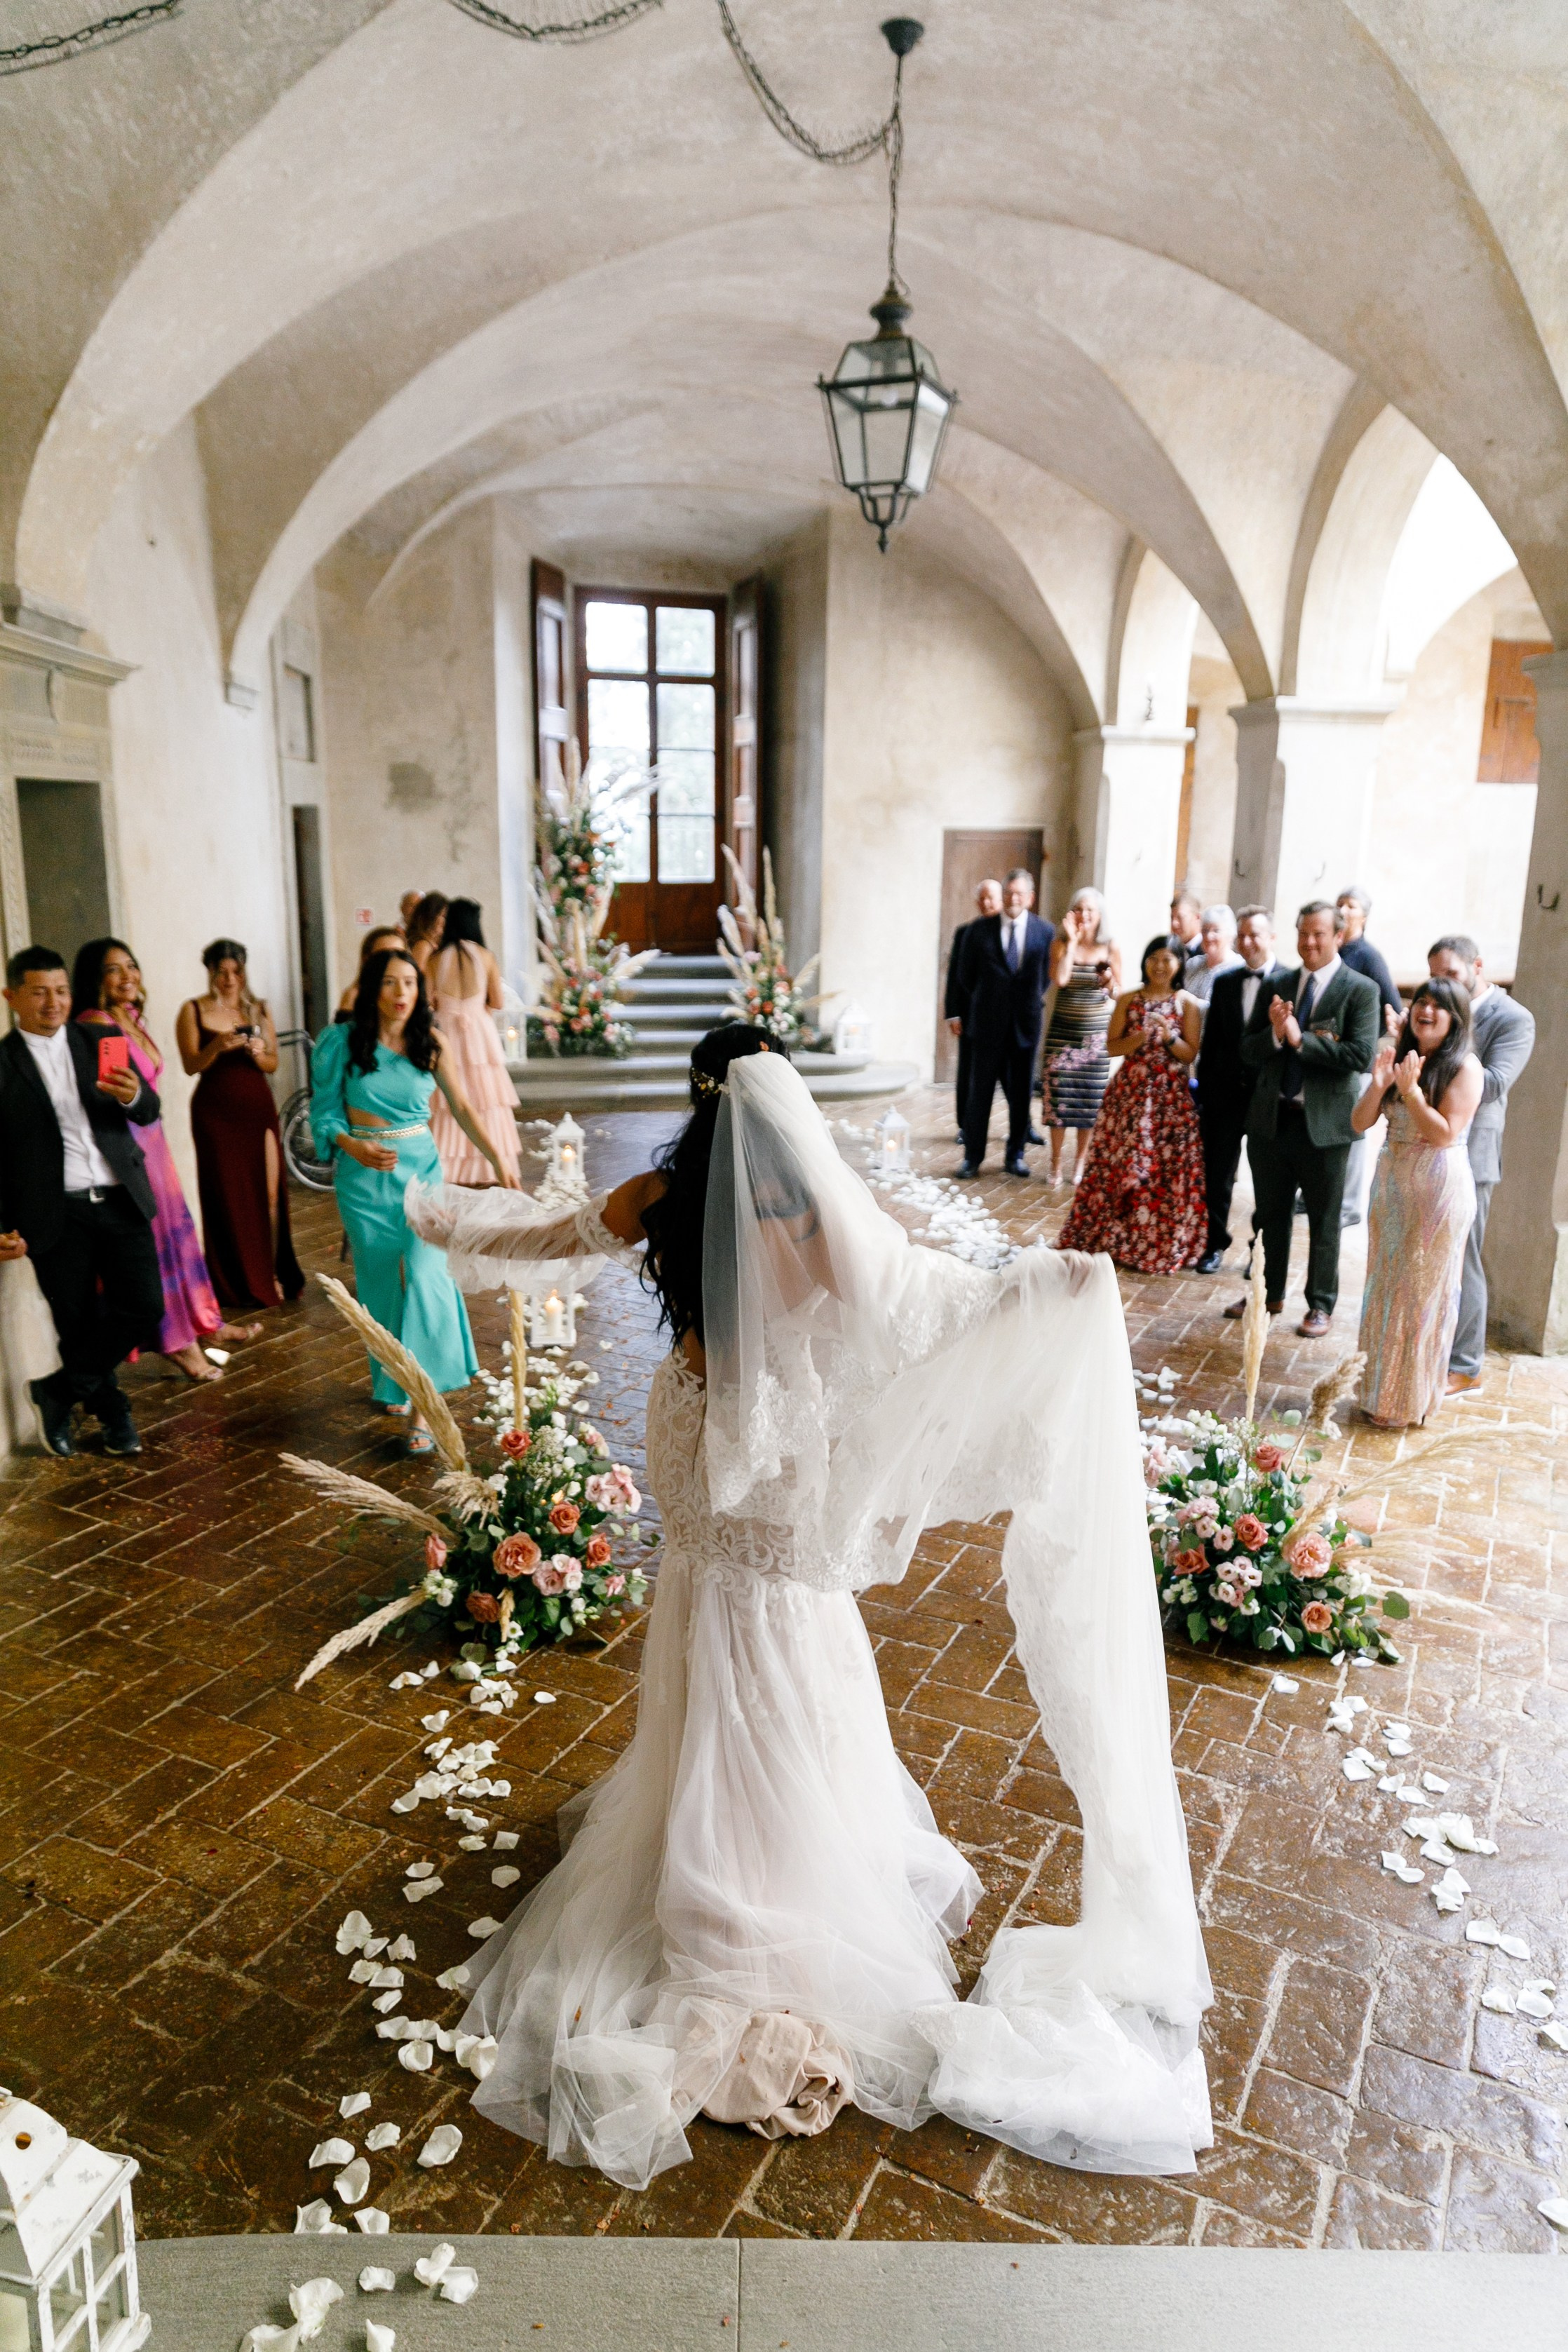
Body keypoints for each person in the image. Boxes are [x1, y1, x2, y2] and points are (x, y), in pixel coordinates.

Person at [406, 1025, 1212, 2190]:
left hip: (692, 1434)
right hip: (772, 1461)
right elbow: (935, 1306)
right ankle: (782, 1861)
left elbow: (550, 1232)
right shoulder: (807, 1212)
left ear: (700, 1099)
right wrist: (1054, 1286)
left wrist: (444, 1216)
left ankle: (716, 1829)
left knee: (717, 1615)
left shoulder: (666, 1192)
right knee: (785, 1633)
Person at [309, 947, 518, 1453]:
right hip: (363, 1180)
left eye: (408, 983)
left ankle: (426, 1405)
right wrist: (352, 1145)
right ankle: (393, 1381)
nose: (400, 993)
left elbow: (465, 1109)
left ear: (419, 991)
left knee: (426, 1276)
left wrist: (499, 1160)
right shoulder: (342, 1041)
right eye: (389, 983)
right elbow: (324, 1112)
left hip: (421, 1174)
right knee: (380, 1287)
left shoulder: (432, 1043)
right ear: (371, 990)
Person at [0, 945, 164, 1457]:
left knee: (143, 1308)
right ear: (12, 997)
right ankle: (116, 1417)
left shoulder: (100, 1038)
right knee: (78, 1323)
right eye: (40, 992)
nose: (54, 1002)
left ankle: (57, 1391)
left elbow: (147, 1111)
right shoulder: (3, 1064)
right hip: (55, 1213)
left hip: (119, 1195)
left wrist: (133, 1094)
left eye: (62, 990)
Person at [72, 937, 260, 1382]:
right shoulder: (98, 1023)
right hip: (132, 1151)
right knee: (155, 1247)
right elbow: (115, 1095)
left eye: (131, 967)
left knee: (178, 1238)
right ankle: (180, 1346)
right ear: (96, 980)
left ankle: (202, 1322)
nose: (127, 977)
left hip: (154, 1145)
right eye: (113, 970)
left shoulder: (128, 1017)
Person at [1229, 900, 1378, 1337]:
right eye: (1303, 934)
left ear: (1338, 936)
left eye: (1319, 935)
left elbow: (1360, 1056)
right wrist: (1276, 1035)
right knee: (1270, 1214)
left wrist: (1302, 1041)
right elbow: (1248, 1050)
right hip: (1272, 1121)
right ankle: (1267, 1292)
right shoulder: (1278, 983)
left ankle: (1320, 1305)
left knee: (1324, 1220)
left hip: (1327, 1127)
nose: (1309, 943)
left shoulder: (1360, 990)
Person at [1353, 979, 1480, 1427]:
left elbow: (1445, 1133)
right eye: (1421, 1002)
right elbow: (1359, 1123)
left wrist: (1411, 1093)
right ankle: (1377, 1392)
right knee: (1384, 1286)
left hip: (1437, 1192)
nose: (1425, 1010)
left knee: (1422, 1294)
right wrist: (1379, 1085)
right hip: (1390, 1187)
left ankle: (1408, 1402)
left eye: (1438, 1006)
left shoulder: (1466, 1067)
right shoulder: (1399, 1055)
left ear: (1455, 1018)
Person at [1056, 938, 1206, 1272]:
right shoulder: (1128, 999)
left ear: (1180, 964)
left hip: (1170, 1099)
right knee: (1120, 1165)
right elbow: (1111, 1047)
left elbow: (1190, 1054)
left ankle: (1155, 1242)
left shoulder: (1188, 1004)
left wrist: (1169, 1038)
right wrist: (1138, 1038)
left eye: (1167, 959)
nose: (1159, 965)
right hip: (1129, 1094)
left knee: (1161, 1171)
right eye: (1153, 958)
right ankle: (1117, 1237)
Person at [1428, 934, 1536, 1396]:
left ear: (1478, 966)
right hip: (1431, 1148)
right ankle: (1433, 1349)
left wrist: (1439, 1051)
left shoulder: (1514, 1018)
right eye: (1435, 976)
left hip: (1474, 1154)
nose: (1441, 984)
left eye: (1450, 974)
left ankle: (1468, 1363)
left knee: (1464, 1257)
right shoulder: (1441, 1012)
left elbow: (1492, 1084)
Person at [177, 940, 304, 1313]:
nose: (230, 979)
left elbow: (273, 1065)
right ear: (211, 972)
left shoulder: (258, 1008)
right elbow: (190, 1064)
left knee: (269, 1191)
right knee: (227, 1196)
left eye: (236, 971)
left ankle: (270, 1273)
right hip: (215, 1115)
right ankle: (236, 1279)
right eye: (222, 971)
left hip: (257, 1109)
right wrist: (217, 1046)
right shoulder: (193, 1009)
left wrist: (257, 1052)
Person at [1192, 906, 1283, 1276]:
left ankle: (1258, 1252)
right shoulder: (1226, 982)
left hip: (1268, 1098)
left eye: (1255, 935)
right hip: (1224, 1096)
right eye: (1242, 935)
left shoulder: (1290, 981)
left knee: (1267, 1179)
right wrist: (1208, 1094)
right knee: (1217, 1175)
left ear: (1271, 938)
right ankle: (1213, 1244)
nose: (1247, 942)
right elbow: (1211, 1044)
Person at [956, 868, 1054, 1177]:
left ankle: (1015, 1156)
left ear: (1030, 898)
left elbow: (1048, 975)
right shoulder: (978, 931)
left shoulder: (1045, 932)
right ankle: (973, 1157)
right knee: (979, 1094)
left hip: (1025, 1027)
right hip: (986, 1026)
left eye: (1019, 893)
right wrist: (990, 1001)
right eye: (1009, 892)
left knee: (1022, 1094)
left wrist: (1026, 1002)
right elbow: (965, 975)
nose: (1013, 898)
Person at [427, 899, 522, 1185]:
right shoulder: (486, 956)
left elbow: (426, 1000)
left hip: (446, 1031)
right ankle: (489, 1165)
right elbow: (498, 1000)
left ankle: (447, 1168)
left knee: (446, 1099)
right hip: (479, 1034)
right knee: (485, 1099)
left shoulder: (434, 958)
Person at [1039, 886, 1121, 1184]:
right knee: (1059, 1103)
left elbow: (1118, 993)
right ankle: (1056, 1163)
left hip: (1095, 1042)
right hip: (1062, 1038)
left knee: (1089, 1104)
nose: (1085, 915)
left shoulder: (1110, 947)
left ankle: (1080, 1162)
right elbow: (1060, 979)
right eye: (1080, 909)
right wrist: (1072, 942)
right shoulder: (1060, 944)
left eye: (1091, 911)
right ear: (1072, 914)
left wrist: (1110, 982)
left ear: (1100, 916)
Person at [1334, 887, 1404, 1229]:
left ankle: (1348, 1205)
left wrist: (1370, 1040)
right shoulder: (1335, 950)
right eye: (1341, 904)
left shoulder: (1369, 957)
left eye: (1352, 906)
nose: (1345, 910)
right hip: (1333, 1058)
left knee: (1354, 1132)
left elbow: (1393, 1004)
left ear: (1364, 917)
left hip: (1358, 1060)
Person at [943, 877, 1001, 1142]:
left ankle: (1023, 1128)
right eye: (983, 898)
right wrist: (954, 1013)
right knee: (968, 1071)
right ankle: (965, 1126)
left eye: (992, 897)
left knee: (1014, 1077)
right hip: (973, 1016)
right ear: (978, 902)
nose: (988, 902)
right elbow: (955, 975)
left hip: (1008, 1018)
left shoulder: (1016, 931)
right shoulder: (965, 932)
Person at [336, 925, 406, 1016]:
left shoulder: (410, 993)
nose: (393, 960)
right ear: (367, 959)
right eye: (384, 955)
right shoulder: (354, 996)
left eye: (400, 954)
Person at [1183, 906, 1241, 1006]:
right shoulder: (1193, 964)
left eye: (1216, 931)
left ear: (1230, 934)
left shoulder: (1238, 969)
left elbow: (1222, 1011)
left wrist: (1187, 1000)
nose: (1209, 937)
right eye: (1205, 931)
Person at [405, 892, 447, 977]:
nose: (447, 921)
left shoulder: (431, 944)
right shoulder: (423, 946)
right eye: (443, 916)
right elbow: (419, 978)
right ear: (431, 916)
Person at [1170, 888, 1203, 988]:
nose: (1174, 924)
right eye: (1172, 918)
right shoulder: (1170, 950)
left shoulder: (1208, 952)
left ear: (1197, 917)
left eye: (1180, 917)